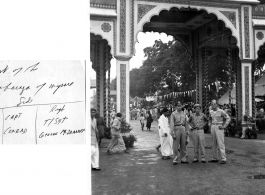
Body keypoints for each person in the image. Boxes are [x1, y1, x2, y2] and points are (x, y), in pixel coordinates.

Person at [208, 100, 231, 164]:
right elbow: (210, 119)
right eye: (212, 104)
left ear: (217, 105)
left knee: (220, 142)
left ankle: (223, 158)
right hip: (213, 126)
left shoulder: (221, 111)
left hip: (219, 127)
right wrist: (210, 124)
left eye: (214, 104)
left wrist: (224, 126)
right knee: (213, 143)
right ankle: (214, 157)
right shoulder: (211, 112)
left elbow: (228, 118)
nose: (213, 105)